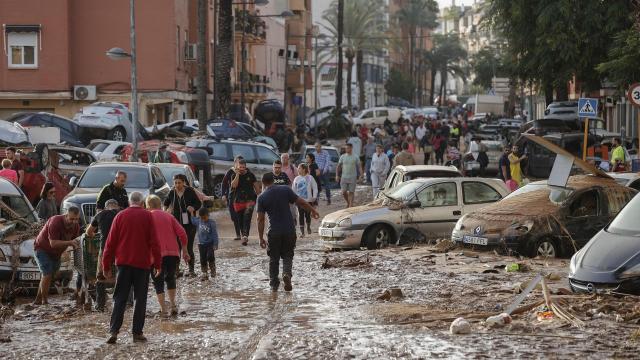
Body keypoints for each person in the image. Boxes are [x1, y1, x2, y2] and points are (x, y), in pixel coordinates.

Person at [103, 192, 161, 344]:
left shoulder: (120, 216)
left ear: (129, 202)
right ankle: (137, 333)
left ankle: (114, 332)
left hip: (123, 265)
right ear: (142, 203)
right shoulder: (148, 216)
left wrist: (105, 265)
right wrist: (158, 264)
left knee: (119, 298)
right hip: (142, 265)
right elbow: (155, 242)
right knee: (140, 299)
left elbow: (110, 243)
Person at [256, 173, 319, 292]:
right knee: (288, 256)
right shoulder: (285, 189)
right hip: (289, 230)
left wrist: (260, 238)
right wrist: (312, 211)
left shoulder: (262, 197)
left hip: (274, 232)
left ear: (263, 183)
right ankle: (287, 274)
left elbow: (260, 219)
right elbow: (301, 202)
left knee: (274, 259)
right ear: (274, 180)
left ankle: (274, 285)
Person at [146, 195, 188, 316]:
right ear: (160, 205)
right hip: (173, 254)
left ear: (148, 206)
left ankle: (163, 309)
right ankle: (173, 305)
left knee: (157, 281)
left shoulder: (147, 217)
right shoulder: (169, 216)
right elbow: (182, 233)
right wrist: (184, 250)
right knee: (170, 278)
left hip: (155, 255)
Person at [33, 208, 80, 305]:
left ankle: (37, 300)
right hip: (42, 248)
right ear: (66, 216)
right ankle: (44, 302)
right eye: (71, 219)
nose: (74, 222)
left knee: (49, 276)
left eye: (76, 219)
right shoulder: (55, 221)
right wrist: (70, 243)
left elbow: (76, 241)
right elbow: (53, 243)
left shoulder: (76, 226)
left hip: (56, 253)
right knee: (47, 274)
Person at [85, 199, 120, 312]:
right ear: (117, 206)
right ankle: (126, 303)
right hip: (121, 249)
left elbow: (88, 232)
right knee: (122, 274)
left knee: (101, 276)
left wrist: (98, 233)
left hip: (105, 248)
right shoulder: (122, 213)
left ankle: (100, 305)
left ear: (106, 207)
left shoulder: (100, 214)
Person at [164, 174, 201, 276]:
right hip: (175, 223)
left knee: (188, 247)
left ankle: (191, 270)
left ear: (184, 182)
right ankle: (176, 270)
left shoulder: (190, 191)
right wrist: (165, 211)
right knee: (176, 247)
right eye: (175, 183)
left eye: (179, 183)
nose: (177, 185)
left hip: (189, 224)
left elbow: (198, 203)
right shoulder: (172, 192)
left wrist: (193, 208)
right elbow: (165, 203)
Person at [230, 159, 260, 245]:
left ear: (246, 167)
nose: (242, 169)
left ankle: (245, 236)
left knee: (247, 217)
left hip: (250, 200)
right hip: (238, 201)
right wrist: (237, 175)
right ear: (237, 167)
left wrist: (260, 195)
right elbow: (234, 185)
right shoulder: (233, 175)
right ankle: (244, 235)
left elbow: (257, 188)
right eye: (240, 167)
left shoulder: (251, 175)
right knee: (240, 220)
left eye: (243, 167)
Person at [190, 207, 219, 280]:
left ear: (208, 215)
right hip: (201, 244)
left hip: (210, 243)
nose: (203, 219)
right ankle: (204, 273)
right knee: (202, 258)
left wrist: (215, 244)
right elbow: (193, 220)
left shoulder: (211, 223)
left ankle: (213, 269)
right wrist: (191, 212)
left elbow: (214, 234)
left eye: (205, 217)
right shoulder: (199, 221)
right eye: (202, 218)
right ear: (200, 217)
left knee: (210, 256)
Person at [292, 163, 318, 237]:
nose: (298, 169)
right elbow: (293, 190)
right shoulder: (296, 179)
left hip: (308, 200)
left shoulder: (310, 178)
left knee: (307, 215)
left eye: (299, 168)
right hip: (299, 201)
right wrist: (294, 199)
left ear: (304, 169)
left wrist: (314, 197)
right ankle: (302, 232)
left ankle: (308, 227)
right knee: (300, 215)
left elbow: (315, 187)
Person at [222, 156, 243, 240]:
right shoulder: (230, 172)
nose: (239, 164)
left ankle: (243, 234)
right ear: (235, 163)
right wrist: (223, 194)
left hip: (242, 198)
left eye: (241, 162)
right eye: (238, 162)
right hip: (232, 197)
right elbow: (224, 183)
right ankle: (238, 234)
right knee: (234, 217)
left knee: (242, 216)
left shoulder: (245, 171)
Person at [336, 143, 362, 208]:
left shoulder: (355, 157)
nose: (346, 149)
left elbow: (359, 167)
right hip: (344, 177)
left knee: (351, 191)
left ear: (351, 148)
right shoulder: (342, 156)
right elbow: (338, 166)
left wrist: (361, 175)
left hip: (353, 177)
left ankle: (350, 205)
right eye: (346, 148)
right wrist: (337, 175)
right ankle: (348, 202)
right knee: (344, 192)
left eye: (348, 148)